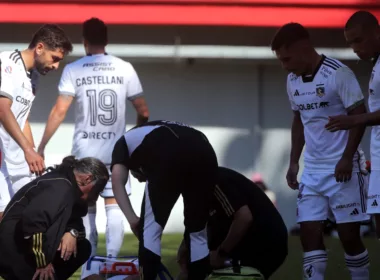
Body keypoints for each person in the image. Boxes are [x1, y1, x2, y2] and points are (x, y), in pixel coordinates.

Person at [37, 17, 149, 261]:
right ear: (107, 40)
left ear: (84, 41)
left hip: (85, 152)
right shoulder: (124, 67)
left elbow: (59, 110)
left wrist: (42, 145)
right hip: (116, 152)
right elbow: (143, 111)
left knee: (85, 208)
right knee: (114, 206)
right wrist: (134, 141)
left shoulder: (74, 69)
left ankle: (89, 264)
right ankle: (109, 261)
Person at [271, 22, 370, 280]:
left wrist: (347, 157)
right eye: (281, 60)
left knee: (349, 238)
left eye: (287, 58)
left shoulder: (339, 74)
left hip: (343, 170)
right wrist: (294, 162)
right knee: (309, 236)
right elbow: (298, 120)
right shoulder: (292, 81)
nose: (285, 65)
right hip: (313, 172)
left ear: (304, 48)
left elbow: (360, 117)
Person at [111, 120, 218, 280]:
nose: (141, 181)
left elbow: (117, 182)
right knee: (197, 233)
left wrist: (133, 219)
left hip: (169, 151)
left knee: (150, 232)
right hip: (205, 151)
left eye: (137, 176)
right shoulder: (154, 132)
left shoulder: (122, 143)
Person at [0, 24, 73, 219]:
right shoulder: (7, 62)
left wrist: (35, 155)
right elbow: (3, 109)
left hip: (10, 157)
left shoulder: (34, 78)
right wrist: (28, 150)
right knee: (5, 214)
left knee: (22, 211)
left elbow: (23, 119)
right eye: (54, 59)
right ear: (39, 48)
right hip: (2, 155)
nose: (56, 66)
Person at [0, 156, 109, 280]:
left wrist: (71, 232)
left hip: (27, 245)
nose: (97, 195)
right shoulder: (60, 187)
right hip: (16, 249)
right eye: (98, 188)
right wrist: (43, 263)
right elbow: (33, 224)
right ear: (87, 178)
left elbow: (77, 222)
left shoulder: (70, 186)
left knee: (82, 247)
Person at [177, 167, 288, 280]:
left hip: (265, 242)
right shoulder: (199, 186)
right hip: (256, 240)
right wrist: (186, 245)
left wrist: (221, 254)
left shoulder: (213, 180)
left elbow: (244, 217)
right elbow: (199, 220)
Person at [325, 11, 380, 240]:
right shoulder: (376, 64)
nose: (354, 48)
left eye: (358, 40)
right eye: (350, 43)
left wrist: (355, 119)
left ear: (376, 33)